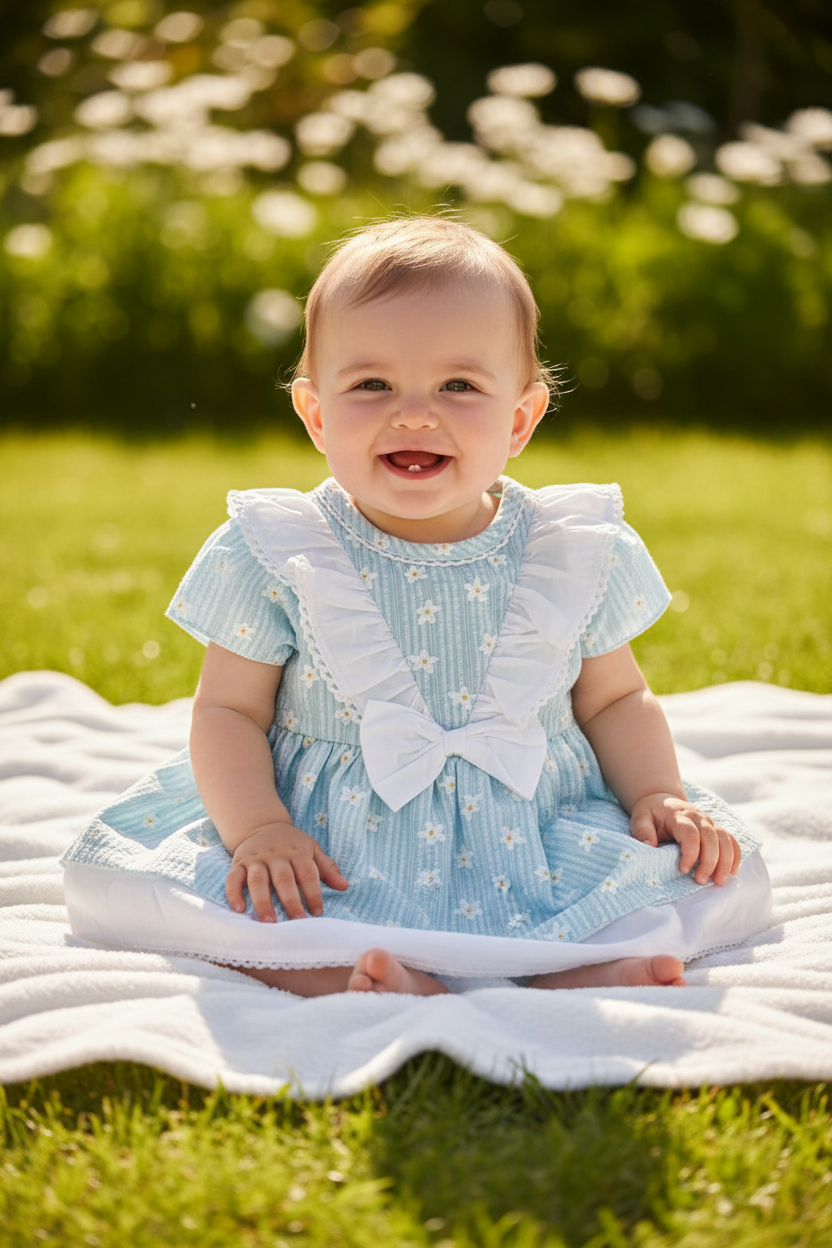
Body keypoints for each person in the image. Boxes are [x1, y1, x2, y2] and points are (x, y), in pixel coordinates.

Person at [61, 216, 771, 997]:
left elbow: (615, 697)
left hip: (526, 832)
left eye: (458, 386)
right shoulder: (280, 549)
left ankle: (575, 973)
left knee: (682, 883)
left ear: (519, 420)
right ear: (317, 414)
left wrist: (656, 793)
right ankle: (352, 974)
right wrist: (260, 829)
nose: (414, 413)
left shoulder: (567, 550)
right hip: (336, 834)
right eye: (372, 384)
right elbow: (227, 711)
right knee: (227, 915)